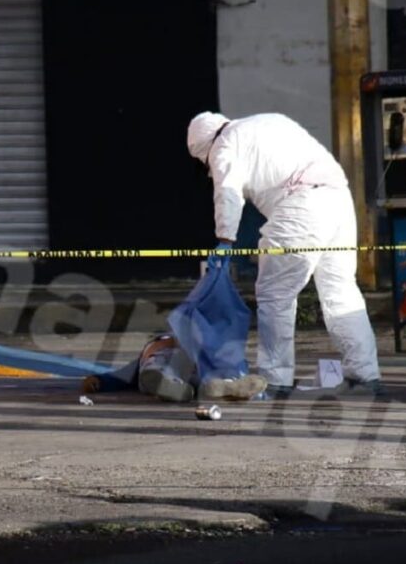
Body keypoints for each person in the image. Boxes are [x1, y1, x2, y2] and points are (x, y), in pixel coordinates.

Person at [187, 112, 383, 399]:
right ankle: (365, 375)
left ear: (204, 146)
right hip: (338, 199)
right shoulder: (269, 121)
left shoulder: (224, 144)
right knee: (340, 291)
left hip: (301, 205)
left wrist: (225, 239)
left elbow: (228, 191)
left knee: (274, 293)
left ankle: (274, 378)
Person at [81, 334, 268, 402]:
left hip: (173, 362)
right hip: (186, 363)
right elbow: (120, 376)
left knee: (155, 371)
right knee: (204, 375)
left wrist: (99, 381)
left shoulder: (157, 348)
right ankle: (222, 384)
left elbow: (121, 376)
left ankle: (177, 386)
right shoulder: (169, 346)